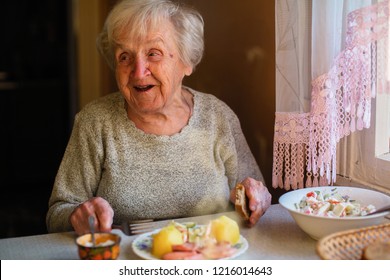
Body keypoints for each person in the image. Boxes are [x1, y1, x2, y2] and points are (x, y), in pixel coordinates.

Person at [46, 0, 271, 235]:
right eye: (125, 57)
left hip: (208, 257)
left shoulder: (218, 117)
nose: (138, 71)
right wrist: (78, 215)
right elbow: (57, 213)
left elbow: (255, 194)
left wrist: (255, 197)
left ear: (186, 62)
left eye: (153, 53)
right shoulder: (95, 122)